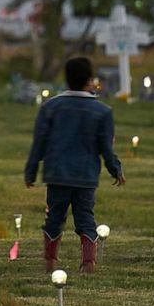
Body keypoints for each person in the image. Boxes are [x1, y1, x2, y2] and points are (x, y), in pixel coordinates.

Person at [24, 57, 125, 274]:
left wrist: (31, 170)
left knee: (54, 217)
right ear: (90, 80)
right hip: (86, 175)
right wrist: (115, 168)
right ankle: (88, 263)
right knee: (85, 217)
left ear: (66, 78)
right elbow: (105, 147)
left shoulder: (50, 107)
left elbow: (39, 141)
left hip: (57, 174)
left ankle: (50, 261)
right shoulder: (102, 112)